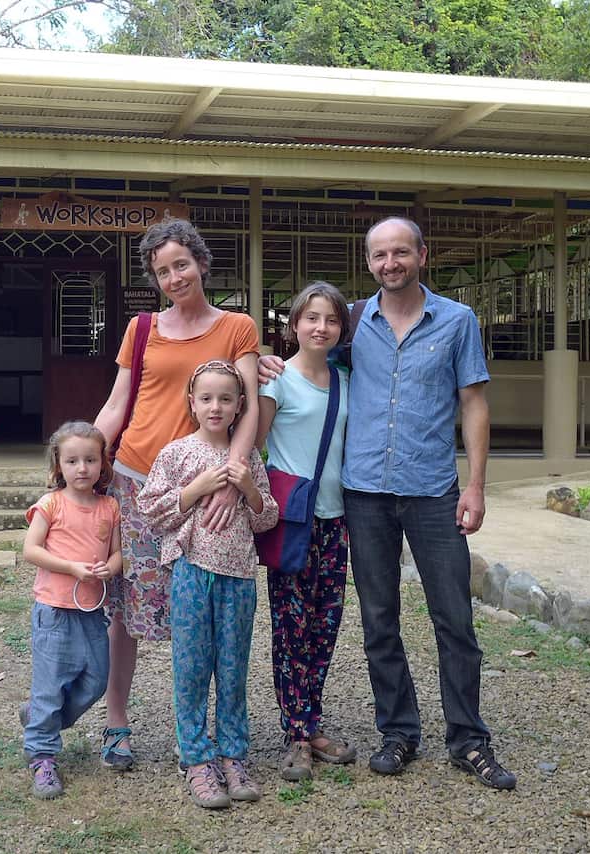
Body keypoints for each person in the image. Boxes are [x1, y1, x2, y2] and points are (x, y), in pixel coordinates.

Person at [260, 215, 515, 790]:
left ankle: (468, 739)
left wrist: (475, 485)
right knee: (379, 620)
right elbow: (311, 359)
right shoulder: (352, 321)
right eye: (379, 256)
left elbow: (473, 402)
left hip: (432, 491)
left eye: (401, 252)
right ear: (368, 262)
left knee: (454, 618)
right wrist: (263, 360)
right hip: (365, 495)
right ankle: (398, 731)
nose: (390, 263)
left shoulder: (457, 321)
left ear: (423, 255)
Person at [93, 218, 261, 771]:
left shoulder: (237, 327)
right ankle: (117, 721)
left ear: (202, 263)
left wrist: (234, 478)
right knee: (126, 610)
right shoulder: (142, 329)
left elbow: (249, 405)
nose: (173, 277)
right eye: (162, 270)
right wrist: (84, 461)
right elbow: (119, 403)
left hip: (211, 486)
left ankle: (214, 735)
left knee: (208, 608)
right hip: (141, 481)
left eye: (181, 264)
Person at [136, 360, 278, 808]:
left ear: (239, 407)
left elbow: (268, 516)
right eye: (206, 398)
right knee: (192, 667)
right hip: (192, 572)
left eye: (226, 399)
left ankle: (233, 754)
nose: (215, 407)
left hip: (238, 576)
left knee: (233, 668)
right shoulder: (176, 454)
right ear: (192, 404)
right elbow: (150, 510)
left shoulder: (248, 457)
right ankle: (196, 757)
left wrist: (249, 491)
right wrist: (195, 489)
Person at [255, 281, 356, 783]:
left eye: (331, 319)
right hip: (293, 520)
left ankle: (311, 720)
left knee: (325, 626)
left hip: (336, 522)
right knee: (290, 628)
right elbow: (252, 446)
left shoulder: (344, 382)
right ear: (294, 325)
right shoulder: (277, 382)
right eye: (311, 318)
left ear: (341, 329)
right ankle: (295, 730)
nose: (321, 327)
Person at [19, 421, 123, 799]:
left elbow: (117, 553)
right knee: (50, 687)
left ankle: (38, 721)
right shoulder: (51, 504)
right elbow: (31, 550)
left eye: (91, 460)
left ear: (102, 464)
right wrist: (72, 568)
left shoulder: (109, 507)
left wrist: (109, 568)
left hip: (92, 610)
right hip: (54, 610)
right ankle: (42, 756)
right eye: (73, 460)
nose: (82, 468)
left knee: (96, 679)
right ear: (58, 466)